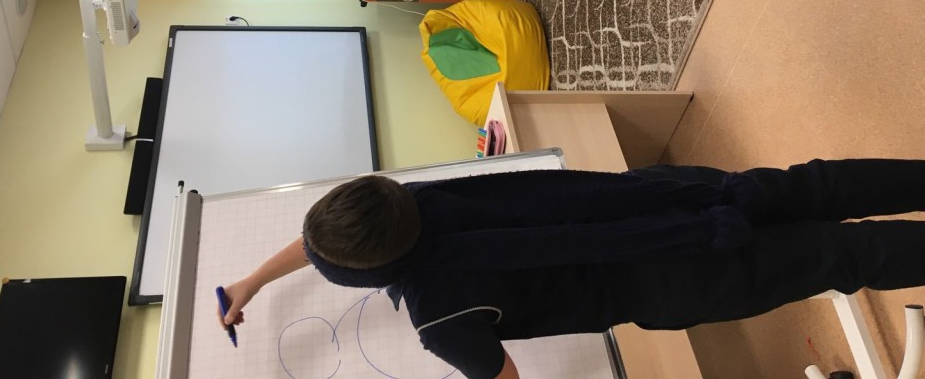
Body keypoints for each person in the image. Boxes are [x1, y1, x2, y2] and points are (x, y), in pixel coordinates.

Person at [220, 158, 925, 379]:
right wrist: (252, 281)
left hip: (674, 275)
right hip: (671, 197)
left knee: (842, 255)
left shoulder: (440, 317)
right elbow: (320, 243)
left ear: (375, 275)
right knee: (814, 187)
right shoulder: (415, 200)